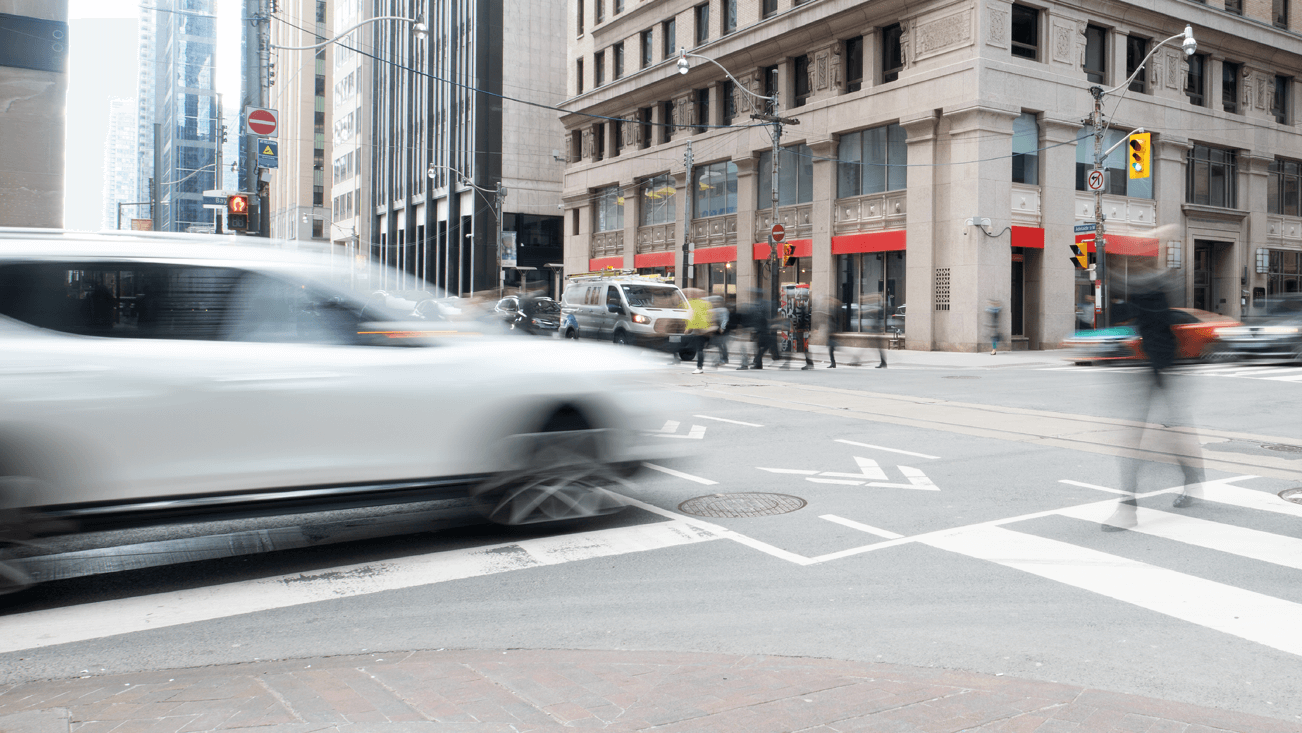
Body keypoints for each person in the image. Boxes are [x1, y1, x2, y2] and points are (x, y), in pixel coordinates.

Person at [1102, 266, 1204, 531]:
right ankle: (1191, 477)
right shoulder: (1149, 290)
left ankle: (1128, 508)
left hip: (1156, 372)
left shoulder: (1148, 290)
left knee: (1139, 440)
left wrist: (1159, 377)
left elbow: (1154, 333)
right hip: (1153, 372)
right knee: (1169, 432)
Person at [684, 288, 712, 374]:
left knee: (699, 349)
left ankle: (699, 367)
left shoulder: (694, 304)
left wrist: (688, 328)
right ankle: (700, 366)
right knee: (700, 348)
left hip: (699, 329)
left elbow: (693, 317)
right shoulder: (707, 304)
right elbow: (710, 316)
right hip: (706, 329)